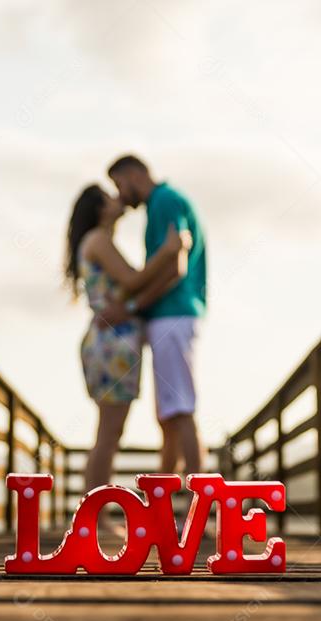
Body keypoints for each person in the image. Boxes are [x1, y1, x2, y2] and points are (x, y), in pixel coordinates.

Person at [65, 184, 191, 495]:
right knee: (109, 432)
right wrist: (169, 251)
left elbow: (132, 282)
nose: (118, 198)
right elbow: (133, 280)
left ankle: (94, 509)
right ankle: (95, 511)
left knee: (109, 431)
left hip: (113, 344)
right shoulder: (98, 240)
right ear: (100, 209)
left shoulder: (100, 241)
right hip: (111, 344)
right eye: (110, 197)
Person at [100, 155, 207, 477]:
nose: (120, 195)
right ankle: (166, 503)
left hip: (171, 315)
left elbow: (175, 265)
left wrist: (131, 307)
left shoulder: (163, 201)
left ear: (133, 174)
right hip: (172, 315)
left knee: (180, 409)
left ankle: (196, 508)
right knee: (169, 415)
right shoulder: (164, 202)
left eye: (119, 184)